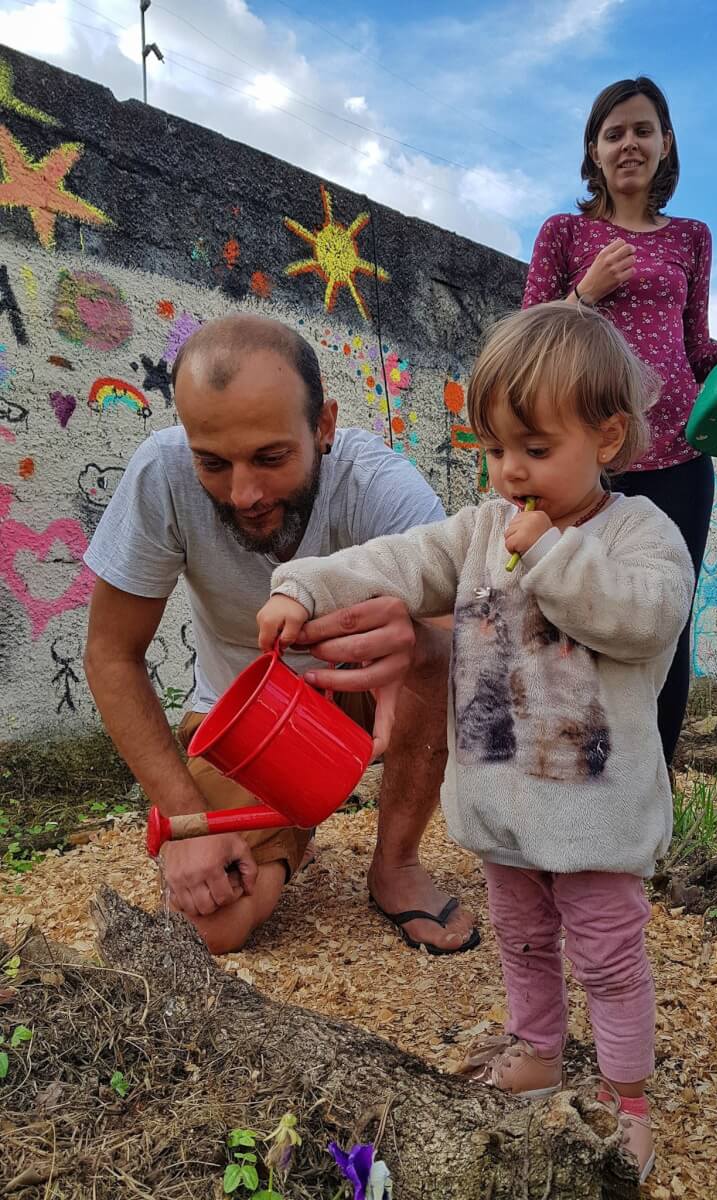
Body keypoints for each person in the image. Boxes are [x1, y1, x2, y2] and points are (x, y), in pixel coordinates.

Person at [256, 302, 695, 1184]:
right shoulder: (482, 528)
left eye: (536, 449)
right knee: (523, 940)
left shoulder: (641, 535)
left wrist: (550, 555)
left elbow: (645, 623)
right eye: (496, 450)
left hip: (597, 816)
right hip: (504, 802)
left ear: (608, 438)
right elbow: (394, 559)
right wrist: (302, 586)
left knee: (608, 956)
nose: (511, 473)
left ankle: (626, 1098)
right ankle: (537, 1047)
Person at [83, 313, 478, 958]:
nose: (243, 493)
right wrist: (188, 824)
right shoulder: (160, 474)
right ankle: (283, 823)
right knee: (210, 928)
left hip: (362, 699)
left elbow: (462, 643)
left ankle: (396, 863)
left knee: (430, 652)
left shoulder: (379, 485)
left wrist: (412, 643)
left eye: (271, 458)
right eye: (212, 462)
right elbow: (109, 654)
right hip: (244, 720)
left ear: (323, 427)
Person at [522, 76, 717, 767]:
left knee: (665, 619)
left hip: (682, 456)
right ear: (593, 150)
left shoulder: (691, 238)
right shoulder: (566, 232)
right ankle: (578, 774)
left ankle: (653, 785)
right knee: (574, 611)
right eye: (614, 132)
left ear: (665, 144)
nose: (630, 143)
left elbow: (694, 349)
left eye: (643, 130)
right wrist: (585, 294)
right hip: (592, 458)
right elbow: (526, 337)